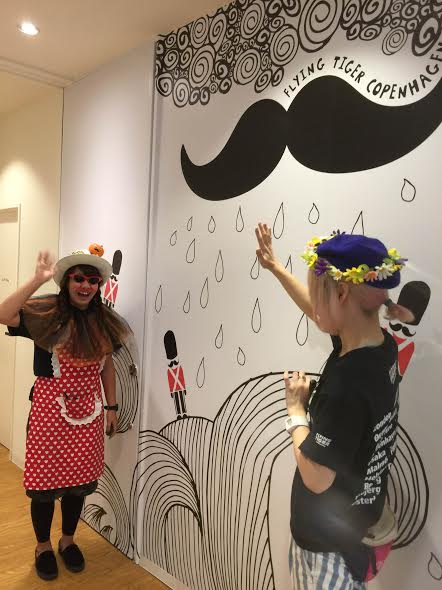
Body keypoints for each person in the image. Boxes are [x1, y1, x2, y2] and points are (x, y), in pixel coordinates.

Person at [255, 224, 413, 589]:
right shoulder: (381, 347)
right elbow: (319, 312)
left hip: (328, 551)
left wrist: (295, 410)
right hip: (350, 530)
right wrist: (276, 267)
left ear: (342, 293)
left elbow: (316, 477)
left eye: (318, 292)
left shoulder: (347, 384)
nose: (314, 305)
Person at [0, 245, 129, 581]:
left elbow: (108, 366)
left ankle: (68, 541)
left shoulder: (104, 320)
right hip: (50, 414)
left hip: (89, 414)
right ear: (66, 281)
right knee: (44, 485)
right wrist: (36, 279)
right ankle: (43, 546)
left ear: (99, 285)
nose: (85, 286)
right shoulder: (45, 313)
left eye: (92, 280)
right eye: (78, 278)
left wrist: (112, 406)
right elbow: (3, 314)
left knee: (77, 484)